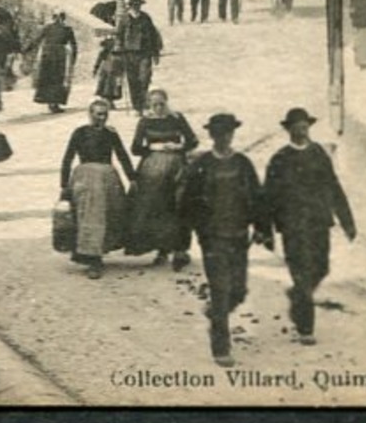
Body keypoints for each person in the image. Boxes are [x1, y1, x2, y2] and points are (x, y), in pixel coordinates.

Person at [179, 112, 270, 367]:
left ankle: (216, 315)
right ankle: (221, 346)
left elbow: (258, 197)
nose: (224, 138)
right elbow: (188, 203)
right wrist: (198, 232)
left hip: (239, 235)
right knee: (220, 290)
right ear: (212, 136)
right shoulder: (201, 165)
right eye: (219, 134)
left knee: (238, 291)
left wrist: (262, 227)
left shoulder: (242, 163)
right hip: (213, 238)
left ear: (232, 134)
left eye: (228, 133)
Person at [263, 108, 357, 345]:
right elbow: (267, 197)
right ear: (289, 130)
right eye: (297, 125)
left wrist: (347, 222)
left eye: (305, 125)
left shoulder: (318, 154)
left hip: (318, 223)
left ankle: (297, 296)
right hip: (293, 226)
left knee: (321, 268)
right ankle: (306, 328)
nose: (302, 129)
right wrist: (266, 230)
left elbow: (333, 187)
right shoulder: (280, 159)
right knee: (302, 274)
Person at [59, 98, 136, 278]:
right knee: (87, 215)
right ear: (90, 114)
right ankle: (89, 256)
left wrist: (132, 177)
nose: (102, 118)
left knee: (106, 215)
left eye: (105, 114)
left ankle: (98, 253)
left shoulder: (110, 134)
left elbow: (122, 154)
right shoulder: (79, 133)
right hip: (85, 177)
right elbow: (68, 157)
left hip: (106, 177)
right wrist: (64, 184)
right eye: (98, 114)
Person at [126, 89, 199, 267]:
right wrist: (153, 148)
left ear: (166, 102)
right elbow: (135, 148)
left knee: (180, 205)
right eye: (155, 104)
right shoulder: (145, 121)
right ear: (149, 105)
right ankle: (162, 250)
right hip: (153, 172)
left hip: (177, 167)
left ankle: (181, 250)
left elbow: (193, 141)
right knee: (157, 208)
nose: (159, 108)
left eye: (162, 104)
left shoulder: (176, 118)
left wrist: (177, 146)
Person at [115, 0, 163, 113]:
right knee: (132, 81)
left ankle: (142, 102)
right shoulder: (124, 19)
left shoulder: (146, 18)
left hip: (144, 53)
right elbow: (119, 36)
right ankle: (137, 106)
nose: (136, 8)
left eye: (138, 5)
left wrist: (156, 53)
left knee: (144, 78)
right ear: (130, 6)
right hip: (129, 54)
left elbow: (153, 36)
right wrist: (119, 53)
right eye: (134, 5)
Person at [28, 10, 77, 113]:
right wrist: (73, 58)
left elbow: (37, 40)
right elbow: (74, 45)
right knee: (57, 78)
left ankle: (49, 102)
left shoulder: (48, 28)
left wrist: (26, 49)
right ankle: (54, 103)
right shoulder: (67, 29)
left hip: (48, 53)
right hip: (59, 55)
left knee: (47, 77)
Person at [93, 34, 124, 106]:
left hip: (115, 66)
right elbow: (102, 54)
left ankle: (109, 100)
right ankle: (108, 100)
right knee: (109, 83)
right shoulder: (108, 42)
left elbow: (101, 55)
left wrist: (96, 67)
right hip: (110, 65)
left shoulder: (118, 42)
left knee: (113, 83)